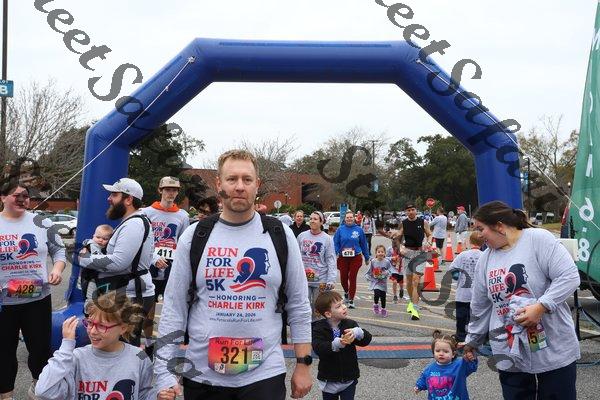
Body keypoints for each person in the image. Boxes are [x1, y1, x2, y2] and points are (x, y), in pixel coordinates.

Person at [154, 149, 313, 399]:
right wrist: (164, 370)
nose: (239, 186)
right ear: (219, 184)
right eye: (232, 179)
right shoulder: (194, 236)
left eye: (247, 179)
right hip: (202, 376)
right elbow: (174, 308)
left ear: (257, 184)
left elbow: (299, 304)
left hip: (264, 376)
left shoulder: (280, 235)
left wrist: (303, 364)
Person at [463, 201, 580, 400]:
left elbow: (569, 276)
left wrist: (541, 306)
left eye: (481, 229)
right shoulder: (485, 259)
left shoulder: (538, 239)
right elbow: (480, 306)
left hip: (553, 344)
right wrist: (472, 341)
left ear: (500, 226)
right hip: (509, 348)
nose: (478, 235)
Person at [0, 182, 66, 400]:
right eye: (16, 195)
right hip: (4, 302)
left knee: (40, 349)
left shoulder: (42, 222)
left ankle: (39, 387)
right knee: (3, 352)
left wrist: (57, 269)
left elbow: (59, 250)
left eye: (25, 196)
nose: (22, 199)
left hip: (37, 298)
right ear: (2, 197)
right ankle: (6, 395)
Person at [35, 292, 155, 399]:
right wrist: (66, 348)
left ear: (123, 328)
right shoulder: (76, 358)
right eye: (90, 323)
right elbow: (43, 391)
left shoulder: (138, 358)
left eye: (102, 326)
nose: (92, 331)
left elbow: (144, 394)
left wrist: (157, 396)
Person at [78, 178, 155, 347]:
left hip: (130, 295)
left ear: (128, 199)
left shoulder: (134, 224)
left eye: (114, 194)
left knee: (122, 348)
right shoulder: (131, 222)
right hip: (126, 292)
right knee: (120, 347)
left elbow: (119, 262)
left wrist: (86, 259)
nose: (109, 199)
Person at [141, 176, 189, 354]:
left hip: (172, 267)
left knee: (171, 309)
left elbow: (183, 243)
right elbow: (142, 240)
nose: (171, 193)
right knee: (148, 308)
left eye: (174, 190)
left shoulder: (182, 216)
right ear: (160, 190)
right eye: (168, 189)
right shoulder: (146, 213)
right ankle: (148, 343)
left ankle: (168, 347)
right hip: (150, 266)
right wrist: (154, 258)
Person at [312, 291, 372, 400]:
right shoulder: (319, 328)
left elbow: (365, 341)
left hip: (348, 378)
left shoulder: (350, 324)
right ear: (328, 314)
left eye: (343, 303)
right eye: (338, 306)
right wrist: (335, 344)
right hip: (329, 379)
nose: (344, 307)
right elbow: (318, 348)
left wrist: (359, 333)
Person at [387, 202, 432, 320]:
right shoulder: (404, 223)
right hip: (407, 253)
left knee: (416, 281)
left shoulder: (423, 222)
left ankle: (415, 310)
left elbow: (429, 234)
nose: (411, 212)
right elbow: (397, 238)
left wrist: (429, 242)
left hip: (420, 253)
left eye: (412, 210)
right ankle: (412, 302)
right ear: (406, 212)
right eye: (408, 210)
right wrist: (400, 247)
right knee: (409, 282)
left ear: (416, 210)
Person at [415, 330, 477, 400]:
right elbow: (424, 377)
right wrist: (419, 386)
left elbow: (472, 367)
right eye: (437, 351)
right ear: (433, 352)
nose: (441, 354)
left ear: (453, 354)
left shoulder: (460, 365)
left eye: (446, 351)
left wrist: (471, 358)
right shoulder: (430, 369)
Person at [297, 211, 337, 318]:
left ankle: (317, 327)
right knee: (304, 307)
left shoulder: (327, 239)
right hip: (304, 279)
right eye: (310, 219)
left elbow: (331, 260)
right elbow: (295, 258)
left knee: (318, 308)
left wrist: (331, 279)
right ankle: (306, 327)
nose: (312, 221)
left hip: (321, 280)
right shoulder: (301, 236)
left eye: (315, 219)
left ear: (321, 222)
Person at [449, 231, 483, 342]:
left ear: (469, 241)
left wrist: (456, 276)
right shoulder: (484, 256)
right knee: (476, 318)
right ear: (483, 243)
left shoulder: (463, 255)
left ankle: (460, 336)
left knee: (461, 317)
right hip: (478, 294)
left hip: (463, 293)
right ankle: (476, 336)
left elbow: (453, 269)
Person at [333, 210, 370, 309]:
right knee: (343, 277)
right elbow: (336, 243)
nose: (349, 219)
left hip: (355, 257)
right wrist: (335, 253)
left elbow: (363, 244)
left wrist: (367, 257)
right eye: (347, 217)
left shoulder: (359, 230)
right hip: (343, 257)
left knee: (352, 277)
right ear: (345, 219)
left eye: (351, 217)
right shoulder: (340, 229)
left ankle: (351, 299)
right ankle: (346, 292)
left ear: (354, 218)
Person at [365, 245, 392, 317]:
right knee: (376, 293)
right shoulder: (373, 261)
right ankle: (376, 305)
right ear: (376, 253)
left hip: (383, 282)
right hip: (375, 282)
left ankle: (383, 309)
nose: (380, 253)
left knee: (383, 296)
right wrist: (369, 276)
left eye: (382, 252)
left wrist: (385, 273)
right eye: (379, 252)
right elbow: (369, 271)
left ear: (385, 253)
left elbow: (390, 270)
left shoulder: (387, 262)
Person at [387, 237, 406, 303]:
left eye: (397, 240)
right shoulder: (390, 249)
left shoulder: (402, 248)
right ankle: (395, 296)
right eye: (393, 240)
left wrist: (402, 254)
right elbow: (386, 257)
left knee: (401, 283)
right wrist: (391, 258)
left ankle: (401, 289)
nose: (395, 242)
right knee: (394, 281)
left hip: (400, 269)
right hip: (393, 269)